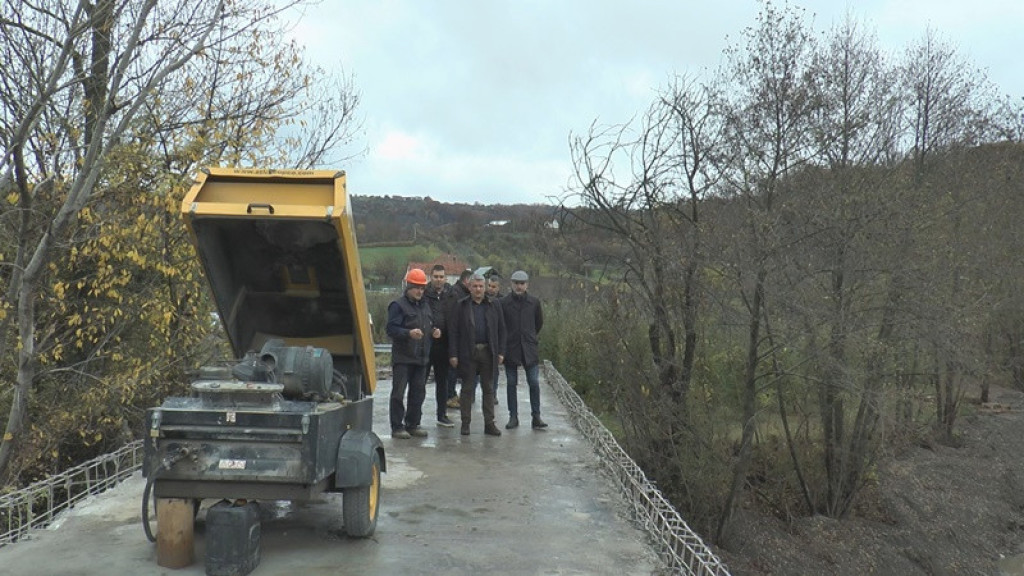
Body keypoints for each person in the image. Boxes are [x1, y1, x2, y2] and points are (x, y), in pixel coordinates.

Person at [448, 273, 506, 436]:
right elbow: (453, 331)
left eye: (481, 286)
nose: (478, 289)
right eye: (475, 286)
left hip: (489, 352)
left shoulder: (495, 305)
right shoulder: (461, 306)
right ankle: (465, 423)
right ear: (470, 287)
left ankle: (489, 424)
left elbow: (502, 330)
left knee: (488, 389)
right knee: (467, 390)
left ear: (485, 287)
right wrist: (453, 354)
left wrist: (501, 352)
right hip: (468, 352)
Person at [386, 268, 439, 439]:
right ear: (408, 287)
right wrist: (408, 333)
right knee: (398, 394)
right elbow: (391, 329)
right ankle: (397, 427)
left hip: (421, 358)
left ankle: (413, 424)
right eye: (416, 287)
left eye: (422, 288)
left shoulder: (426, 306)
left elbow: (428, 326)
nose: (420, 291)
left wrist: (434, 331)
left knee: (418, 393)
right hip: (403, 358)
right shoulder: (398, 305)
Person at [501, 270, 547, 430]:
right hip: (511, 347)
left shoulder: (534, 302)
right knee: (511, 383)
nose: (519, 286)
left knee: (534, 382)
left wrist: (529, 337)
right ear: (511, 284)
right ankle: (513, 416)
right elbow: (502, 325)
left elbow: (538, 323)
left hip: (529, 348)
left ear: (527, 285)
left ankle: (536, 416)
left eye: (522, 283)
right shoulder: (504, 303)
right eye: (516, 283)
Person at [423, 264, 455, 428]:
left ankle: (442, 415)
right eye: (436, 276)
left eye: (441, 276)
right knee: (420, 383)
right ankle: (415, 418)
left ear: (446, 278)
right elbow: (419, 317)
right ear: (431, 277)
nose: (438, 279)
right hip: (426, 345)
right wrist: (430, 330)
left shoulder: (451, 295)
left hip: (444, 346)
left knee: (442, 383)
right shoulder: (424, 295)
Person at [443, 268, 473, 409]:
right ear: (466, 280)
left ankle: (457, 395)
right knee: (452, 369)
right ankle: (450, 396)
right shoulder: (455, 294)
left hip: (462, 339)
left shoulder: (463, 293)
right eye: (472, 282)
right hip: (454, 338)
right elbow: (452, 318)